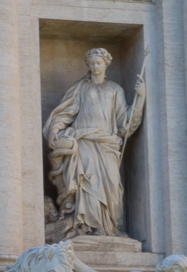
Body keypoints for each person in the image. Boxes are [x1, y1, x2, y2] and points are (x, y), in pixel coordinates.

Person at [44, 48, 145, 239]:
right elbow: (66, 113)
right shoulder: (80, 88)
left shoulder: (115, 89)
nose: (95, 67)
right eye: (92, 64)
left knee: (112, 186)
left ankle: (109, 227)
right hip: (84, 142)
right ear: (88, 65)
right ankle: (89, 226)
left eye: (99, 63)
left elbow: (125, 122)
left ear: (106, 64)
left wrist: (140, 98)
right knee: (88, 183)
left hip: (107, 144)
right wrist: (55, 130)